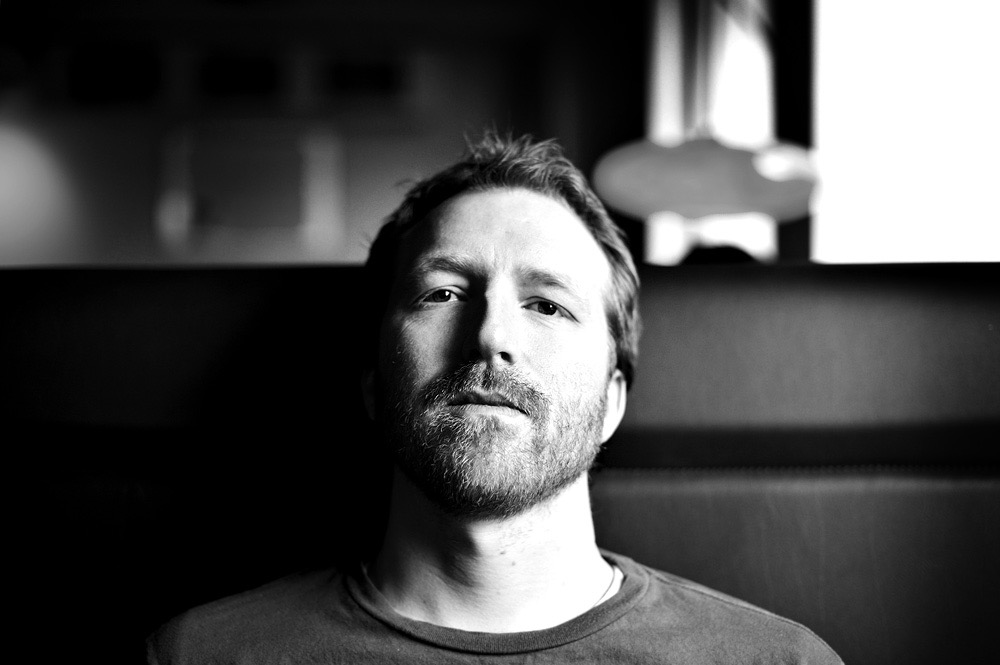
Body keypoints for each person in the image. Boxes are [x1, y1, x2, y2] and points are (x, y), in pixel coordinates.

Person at [147, 131, 843, 664]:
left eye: (547, 304)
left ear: (613, 402)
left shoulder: (782, 661)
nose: (491, 336)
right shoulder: (197, 656)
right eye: (443, 293)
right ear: (372, 381)